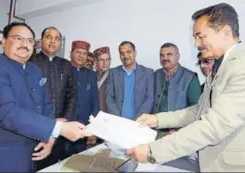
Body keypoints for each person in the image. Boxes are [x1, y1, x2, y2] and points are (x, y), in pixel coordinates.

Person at [126, 3, 245, 172]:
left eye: (201, 36)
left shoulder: (241, 65)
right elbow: (198, 111)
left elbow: (214, 125)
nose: (196, 44)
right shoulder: (220, 65)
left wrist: (153, 151)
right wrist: (157, 119)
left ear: (225, 32)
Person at [0, 22, 88, 172]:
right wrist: (58, 128)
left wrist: (50, 139)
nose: (25, 44)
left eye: (30, 41)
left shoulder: (34, 70)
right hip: (1, 156)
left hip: (33, 153)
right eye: (18, 38)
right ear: (3, 41)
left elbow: (47, 105)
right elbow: (7, 113)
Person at [30, 26, 77, 169]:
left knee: (56, 166)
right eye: (49, 37)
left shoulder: (66, 65)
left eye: (57, 39)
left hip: (60, 129)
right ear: (41, 40)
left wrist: (65, 118)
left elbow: (72, 94)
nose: (53, 41)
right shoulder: (30, 62)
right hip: (35, 128)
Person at [153, 42, 201, 138]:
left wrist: (179, 130)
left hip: (178, 132)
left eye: (169, 54)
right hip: (155, 130)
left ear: (178, 56)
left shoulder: (190, 77)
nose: (165, 58)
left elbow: (196, 107)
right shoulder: (155, 75)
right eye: (162, 55)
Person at [105, 41, 154, 120]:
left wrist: (139, 119)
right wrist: (118, 119)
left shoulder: (148, 73)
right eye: (122, 53)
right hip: (118, 121)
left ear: (135, 53)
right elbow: (109, 98)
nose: (125, 55)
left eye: (129, 52)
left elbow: (149, 98)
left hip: (140, 121)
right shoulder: (113, 72)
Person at [70, 40, 100, 152]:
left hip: (84, 128)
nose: (81, 56)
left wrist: (93, 129)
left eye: (84, 53)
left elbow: (95, 104)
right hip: (64, 127)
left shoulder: (91, 75)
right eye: (78, 52)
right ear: (71, 53)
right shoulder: (63, 70)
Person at [94, 46, 111, 112]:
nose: (105, 63)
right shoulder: (90, 76)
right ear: (95, 61)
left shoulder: (114, 76)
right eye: (101, 60)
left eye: (107, 59)